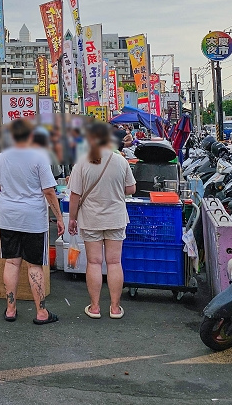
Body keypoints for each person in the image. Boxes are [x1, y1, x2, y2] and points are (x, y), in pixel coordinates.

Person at [0, 118, 64, 325]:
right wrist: (59, 218)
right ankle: (41, 312)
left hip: (8, 216)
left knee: (12, 262)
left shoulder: (2, 158)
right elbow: (49, 191)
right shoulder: (39, 157)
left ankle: (10, 309)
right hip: (32, 217)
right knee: (34, 265)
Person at [68, 122, 137, 320]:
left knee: (94, 262)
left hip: (91, 219)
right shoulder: (120, 161)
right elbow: (131, 188)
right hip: (115, 218)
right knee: (114, 262)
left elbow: (74, 195)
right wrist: (114, 190)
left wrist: (72, 219)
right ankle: (115, 308)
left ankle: (95, 307)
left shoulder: (82, 162)